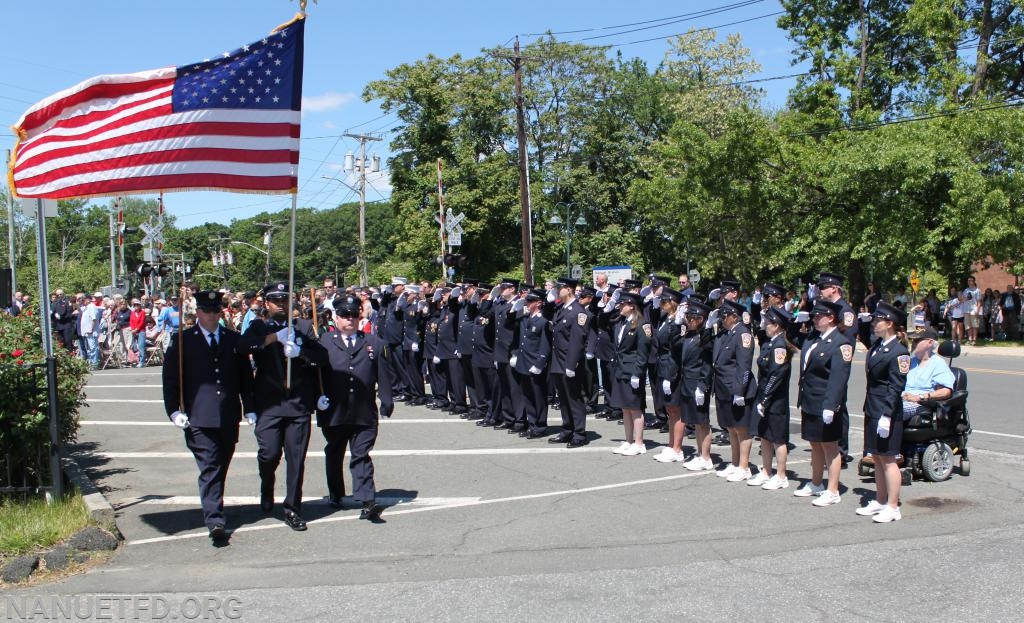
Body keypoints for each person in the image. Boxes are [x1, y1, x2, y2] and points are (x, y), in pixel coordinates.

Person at [162, 290, 254, 544]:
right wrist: (173, 410)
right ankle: (215, 520)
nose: (212, 316)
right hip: (199, 416)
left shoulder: (232, 339)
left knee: (221, 465)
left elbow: (245, 376)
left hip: (227, 415)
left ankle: (215, 504)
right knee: (210, 465)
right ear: (198, 313)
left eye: (216, 311)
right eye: (207, 311)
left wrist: (251, 407)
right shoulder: (182, 340)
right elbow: (171, 379)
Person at [239, 281, 328, 532]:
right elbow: (243, 347)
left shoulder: (302, 327)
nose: (281, 303)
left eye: (285, 299)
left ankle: (292, 507)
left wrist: (300, 351)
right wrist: (273, 339)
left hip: (298, 403)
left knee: (296, 459)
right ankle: (267, 485)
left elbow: (322, 357)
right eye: (276, 300)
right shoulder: (258, 326)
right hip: (268, 404)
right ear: (266, 303)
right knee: (269, 454)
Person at [317, 294, 394, 522]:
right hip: (335, 410)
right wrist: (316, 397)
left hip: (363, 410)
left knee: (361, 455)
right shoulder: (324, 342)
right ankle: (336, 492)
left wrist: (387, 401)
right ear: (335, 317)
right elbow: (315, 375)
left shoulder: (373, 342)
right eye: (344, 315)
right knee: (335, 451)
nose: (350, 319)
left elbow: (383, 375)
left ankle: (368, 500)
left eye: (354, 315)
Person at [793, 300, 853, 507]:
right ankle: (816, 482)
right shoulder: (814, 339)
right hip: (810, 400)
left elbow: (838, 378)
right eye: (814, 316)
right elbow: (793, 340)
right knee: (815, 444)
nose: (814, 319)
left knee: (830, 447)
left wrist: (831, 405)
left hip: (825, 402)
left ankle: (833, 489)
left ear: (831, 318)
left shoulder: (840, 343)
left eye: (819, 316)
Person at [857, 301, 910, 523]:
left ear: (889, 323)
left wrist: (887, 415)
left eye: (878, 320)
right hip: (872, 408)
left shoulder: (899, 352)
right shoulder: (878, 345)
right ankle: (880, 500)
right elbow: (861, 335)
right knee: (877, 457)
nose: (874, 323)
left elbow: (895, 387)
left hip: (887, 411)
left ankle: (893, 505)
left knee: (888, 459)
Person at [748, 307, 794, 490]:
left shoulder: (780, 346)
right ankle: (766, 471)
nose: (765, 326)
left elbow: (776, 376)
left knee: (778, 438)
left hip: (775, 399)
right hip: (764, 395)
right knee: (765, 436)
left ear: (777, 326)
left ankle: (781, 475)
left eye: (768, 323)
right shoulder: (769, 343)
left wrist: (765, 399)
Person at [712, 299, 756, 481]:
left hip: (737, 388)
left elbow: (743, 366)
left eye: (724, 316)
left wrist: (740, 390)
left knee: (741, 429)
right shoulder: (727, 333)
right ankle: (735, 462)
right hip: (723, 387)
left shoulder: (743, 335)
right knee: (731, 428)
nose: (721, 319)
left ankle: (744, 466)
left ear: (733, 316)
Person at [548, 278, 591, 447]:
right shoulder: (561, 309)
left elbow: (577, 340)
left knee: (574, 399)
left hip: (569, 362)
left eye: (560, 288)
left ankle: (579, 433)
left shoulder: (578, 311)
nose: (558, 291)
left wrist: (571, 365)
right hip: (558, 361)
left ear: (569, 289)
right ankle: (567, 429)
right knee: (563, 399)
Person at [607, 291, 651, 456]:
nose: (620, 307)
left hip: (632, 371)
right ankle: (629, 441)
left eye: (623, 304)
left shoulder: (641, 324)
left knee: (635, 408)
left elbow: (643, 352)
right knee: (625, 408)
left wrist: (637, 374)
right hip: (620, 369)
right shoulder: (622, 323)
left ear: (631, 306)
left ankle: (639, 443)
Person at [677, 298, 716, 471]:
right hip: (687, 382)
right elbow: (674, 345)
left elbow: (707, 364)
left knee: (702, 422)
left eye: (691, 318)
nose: (688, 320)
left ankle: (706, 457)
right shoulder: (690, 335)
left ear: (700, 319)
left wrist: (702, 385)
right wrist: (676, 324)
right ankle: (700, 454)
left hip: (698, 384)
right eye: (687, 317)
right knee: (695, 422)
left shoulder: (704, 337)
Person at [511, 288, 552, 440]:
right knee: (527, 396)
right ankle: (532, 423)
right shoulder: (525, 318)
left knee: (538, 397)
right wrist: (514, 309)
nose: (527, 303)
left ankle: (540, 426)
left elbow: (545, 345)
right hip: (523, 363)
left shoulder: (543, 321)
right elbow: (511, 324)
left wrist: (540, 363)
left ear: (539, 303)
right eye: (527, 301)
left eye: (530, 301)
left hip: (535, 364)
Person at [652, 288, 687, 463]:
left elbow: (677, 349)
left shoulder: (679, 322)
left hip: (673, 367)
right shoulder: (666, 319)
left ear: (673, 302)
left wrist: (671, 375)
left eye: (665, 301)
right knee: (669, 409)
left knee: (676, 409)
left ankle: (678, 448)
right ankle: (671, 444)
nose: (662, 304)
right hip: (663, 365)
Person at [962, 277, 982, 346]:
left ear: (973, 281)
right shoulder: (966, 290)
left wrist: (977, 311)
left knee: (975, 325)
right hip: (966, 309)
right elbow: (963, 299)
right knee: (968, 326)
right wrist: (964, 298)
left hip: (974, 309)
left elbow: (979, 302)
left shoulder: (977, 290)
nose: (969, 282)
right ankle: (969, 339)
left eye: (970, 280)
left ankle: (974, 340)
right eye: (968, 280)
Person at [129, 299, 148, 367]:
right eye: (135, 305)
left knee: (141, 346)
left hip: (141, 331)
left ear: (140, 306)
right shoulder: (132, 313)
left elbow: (142, 322)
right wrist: (132, 329)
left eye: (137, 305)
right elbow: (131, 321)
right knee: (134, 347)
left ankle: (141, 361)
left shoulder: (142, 312)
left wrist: (136, 329)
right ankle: (136, 359)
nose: (136, 306)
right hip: (134, 331)